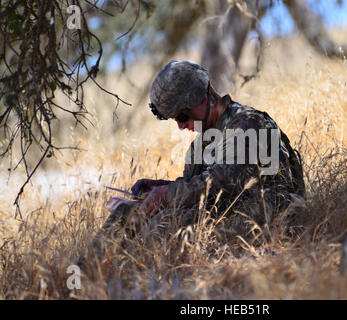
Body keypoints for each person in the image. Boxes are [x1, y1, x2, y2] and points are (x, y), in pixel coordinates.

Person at [78, 60, 306, 269]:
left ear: (204, 99)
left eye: (182, 117)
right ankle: (85, 276)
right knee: (127, 214)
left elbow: (224, 183)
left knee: (166, 222)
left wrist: (167, 194)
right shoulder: (202, 144)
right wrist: (156, 190)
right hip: (231, 211)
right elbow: (196, 188)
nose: (180, 126)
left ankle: (125, 280)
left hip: (273, 213)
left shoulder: (246, 123)